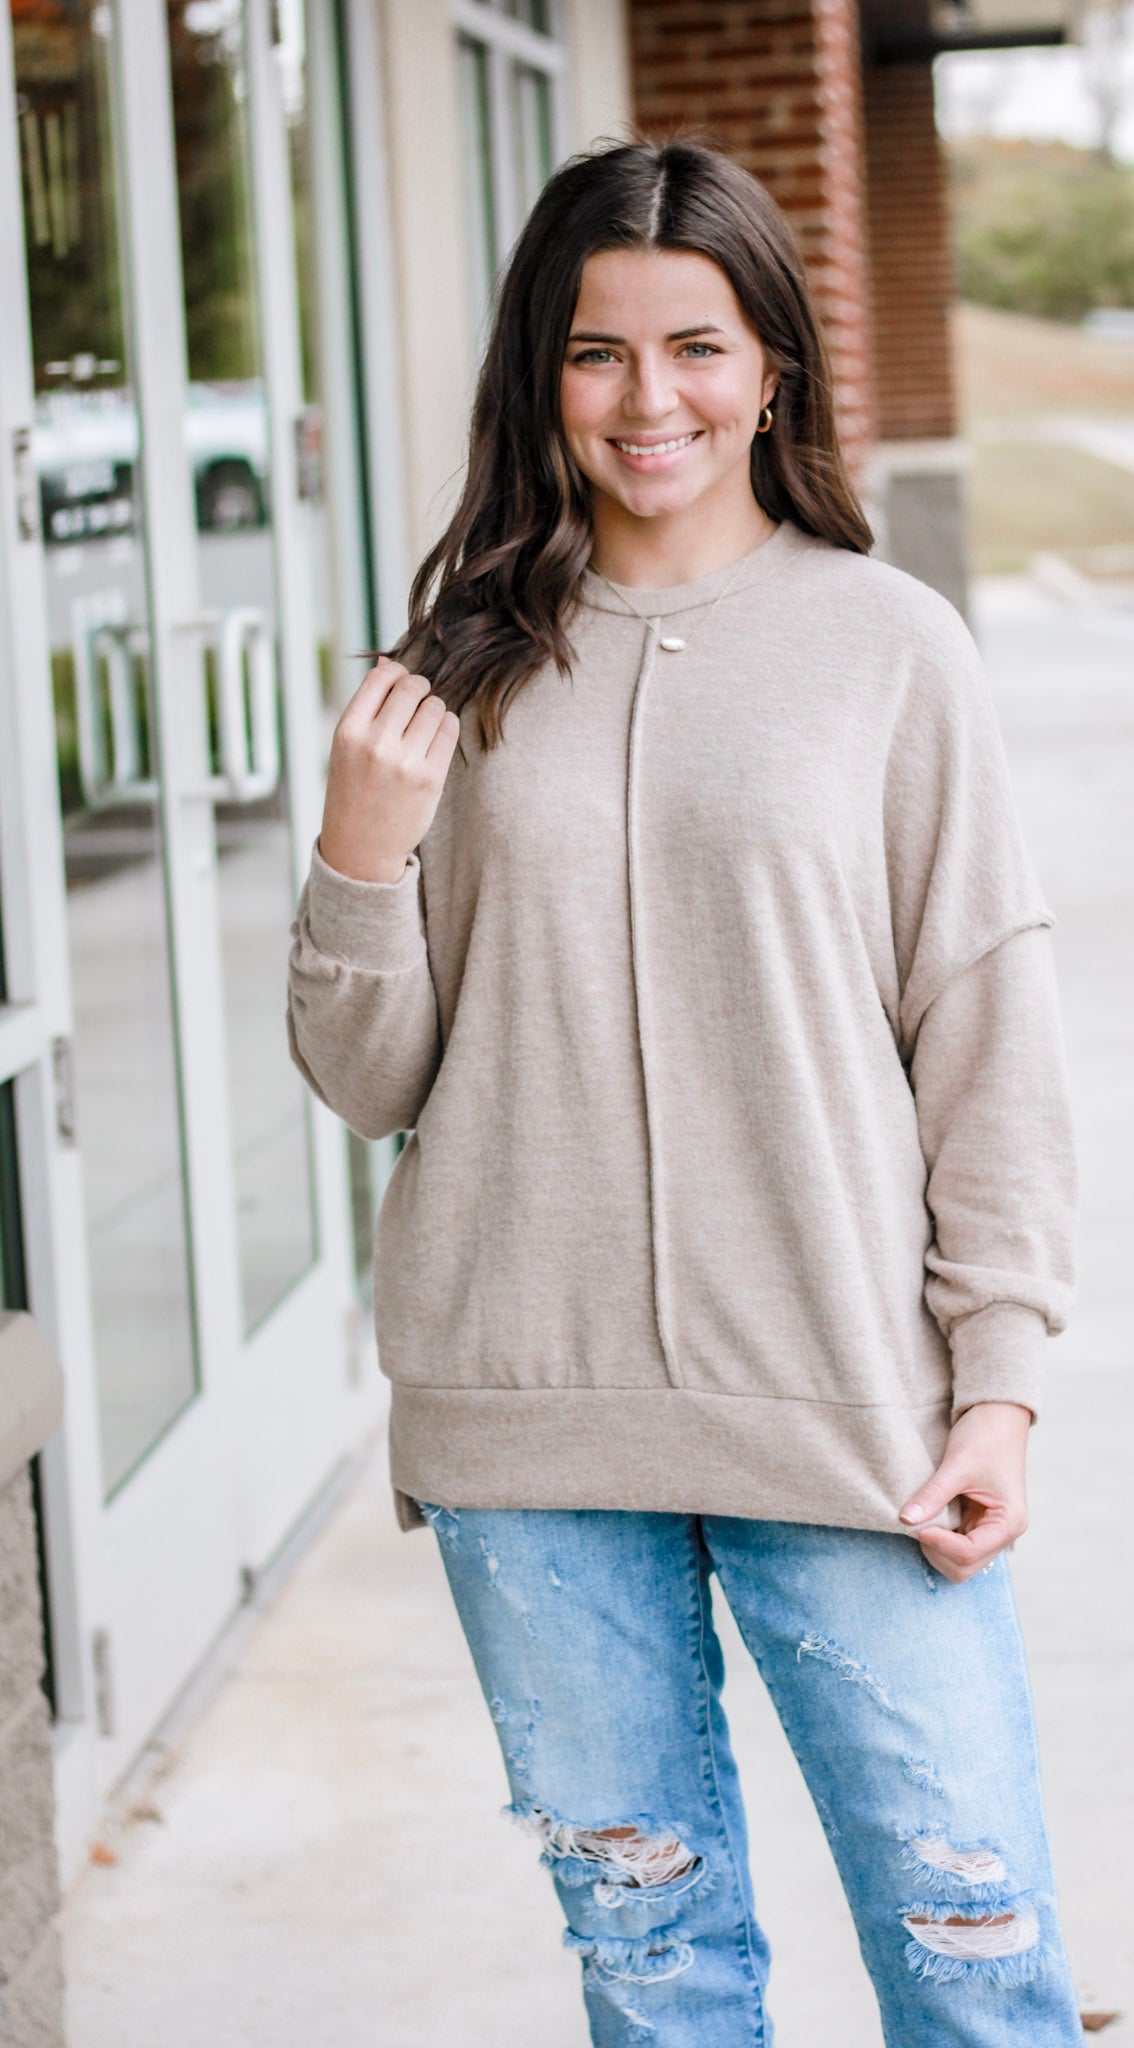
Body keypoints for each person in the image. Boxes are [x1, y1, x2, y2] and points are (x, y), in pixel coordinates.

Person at [285, 136, 1082, 2048]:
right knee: (654, 1978)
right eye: (597, 352)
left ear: (771, 368)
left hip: (844, 1412)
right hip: (527, 1435)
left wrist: (999, 1379)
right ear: (539, 377)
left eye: (696, 346)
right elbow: (371, 1080)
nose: (648, 400)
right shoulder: (454, 675)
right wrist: (359, 855)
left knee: (974, 1958)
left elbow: (985, 1031)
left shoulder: (888, 649)